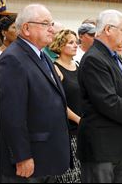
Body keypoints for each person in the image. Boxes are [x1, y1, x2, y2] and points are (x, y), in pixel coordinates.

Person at [0, 3, 70, 183]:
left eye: (52, 24)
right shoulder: (13, 59)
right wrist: (21, 156)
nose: (52, 30)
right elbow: (11, 114)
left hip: (46, 155)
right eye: (45, 24)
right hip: (28, 160)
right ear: (26, 28)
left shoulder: (41, 55)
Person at [77, 9, 122, 183]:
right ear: (108, 29)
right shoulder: (94, 58)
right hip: (102, 147)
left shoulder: (114, 57)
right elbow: (107, 101)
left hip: (121, 143)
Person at [49, 29, 82, 182]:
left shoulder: (77, 65)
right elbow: (58, 104)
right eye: (71, 42)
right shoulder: (55, 68)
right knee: (70, 176)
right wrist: (78, 119)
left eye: (76, 42)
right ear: (60, 45)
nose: (75, 45)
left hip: (83, 127)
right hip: (69, 130)